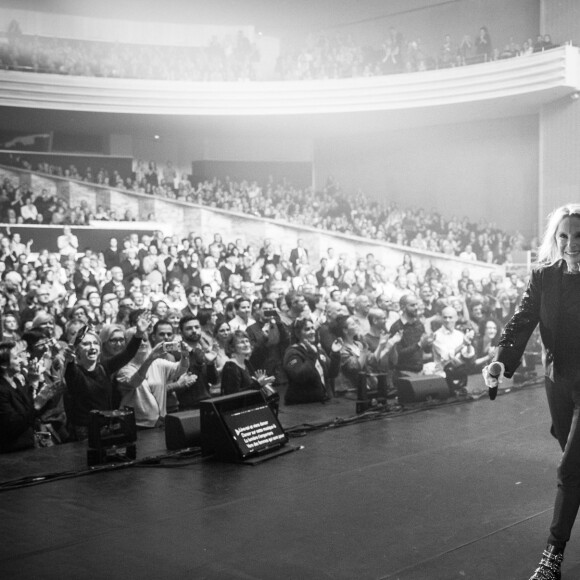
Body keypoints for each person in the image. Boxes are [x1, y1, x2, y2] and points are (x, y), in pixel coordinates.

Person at [483, 204, 580, 579]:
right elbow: (522, 321)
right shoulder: (544, 277)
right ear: (555, 240)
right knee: (572, 459)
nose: (571, 243)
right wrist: (500, 362)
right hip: (558, 381)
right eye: (563, 236)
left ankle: (551, 559)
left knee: (569, 469)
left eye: (578, 235)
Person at [62, 314, 150, 440]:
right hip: (84, 434)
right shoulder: (74, 372)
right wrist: (69, 360)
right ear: (77, 350)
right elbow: (70, 371)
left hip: (107, 428)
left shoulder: (104, 368)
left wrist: (139, 334)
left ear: (99, 348)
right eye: (86, 344)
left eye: (95, 343)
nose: (92, 347)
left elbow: (127, 354)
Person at [283, 318, 342, 405]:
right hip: (303, 406)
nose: (312, 332)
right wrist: (311, 356)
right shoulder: (292, 353)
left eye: (312, 328)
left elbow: (332, 373)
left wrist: (335, 354)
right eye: (307, 329)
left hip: (322, 402)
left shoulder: (318, 350)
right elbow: (299, 376)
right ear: (297, 333)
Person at [0, 340, 35, 452]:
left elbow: (29, 410)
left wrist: (33, 384)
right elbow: (13, 425)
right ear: (4, 365)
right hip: (12, 451)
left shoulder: (16, 381)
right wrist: (38, 404)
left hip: (27, 445)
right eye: (16, 358)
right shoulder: (2, 390)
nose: (20, 360)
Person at [220, 330, 274, 396]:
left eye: (247, 341)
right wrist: (258, 384)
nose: (246, 344)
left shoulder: (246, 363)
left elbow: (249, 386)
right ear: (232, 348)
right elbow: (233, 395)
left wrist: (259, 381)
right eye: (241, 342)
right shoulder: (231, 367)